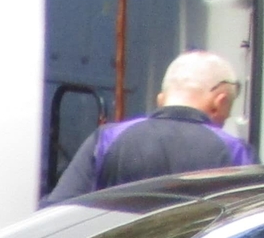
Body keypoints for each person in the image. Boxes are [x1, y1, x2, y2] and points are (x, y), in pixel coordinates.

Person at [46, 50, 256, 202]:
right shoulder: (237, 153)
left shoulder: (108, 139)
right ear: (219, 102)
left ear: (161, 99)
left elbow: (58, 209)